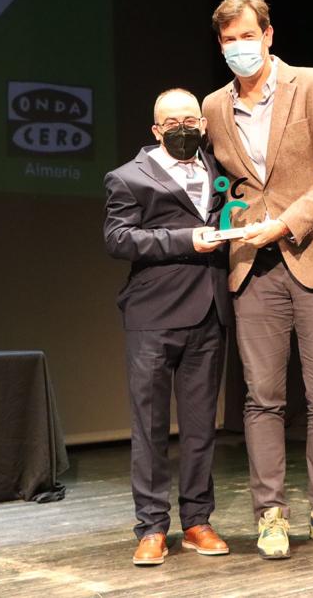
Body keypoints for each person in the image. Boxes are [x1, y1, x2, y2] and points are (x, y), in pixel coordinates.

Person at [201, 0, 313, 559]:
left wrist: (286, 224)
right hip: (253, 266)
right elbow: (223, 184)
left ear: (269, 35)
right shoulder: (213, 106)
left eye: (247, 36)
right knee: (262, 397)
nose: (238, 49)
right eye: (228, 41)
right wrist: (232, 224)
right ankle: (270, 514)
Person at [104, 88, 232, 566]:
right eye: (172, 122)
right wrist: (185, 239)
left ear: (202, 123)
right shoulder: (128, 177)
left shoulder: (218, 170)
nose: (184, 127)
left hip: (209, 312)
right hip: (153, 317)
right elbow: (118, 239)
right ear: (157, 130)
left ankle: (197, 521)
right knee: (151, 427)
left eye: (191, 119)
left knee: (201, 428)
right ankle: (152, 527)